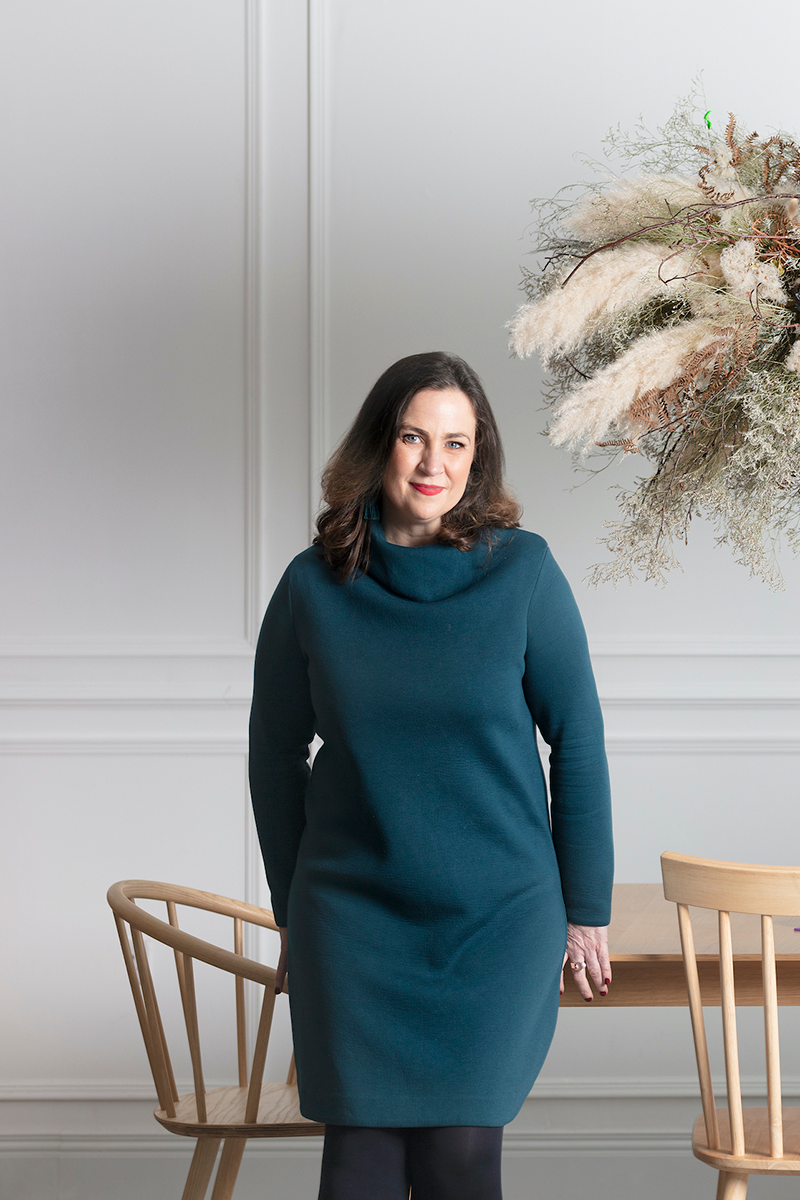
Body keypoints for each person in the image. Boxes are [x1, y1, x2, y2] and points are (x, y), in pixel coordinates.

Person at [249, 351, 614, 1200]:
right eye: (414, 438)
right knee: (360, 1171)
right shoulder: (312, 586)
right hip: (353, 925)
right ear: (380, 444)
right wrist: (293, 905)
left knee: (459, 1163)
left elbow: (580, 741)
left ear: (477, 454)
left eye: (456, 443)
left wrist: (586, 907)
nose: (433, 464)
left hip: (496, 923)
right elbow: (273, 755)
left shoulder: (524, 573)